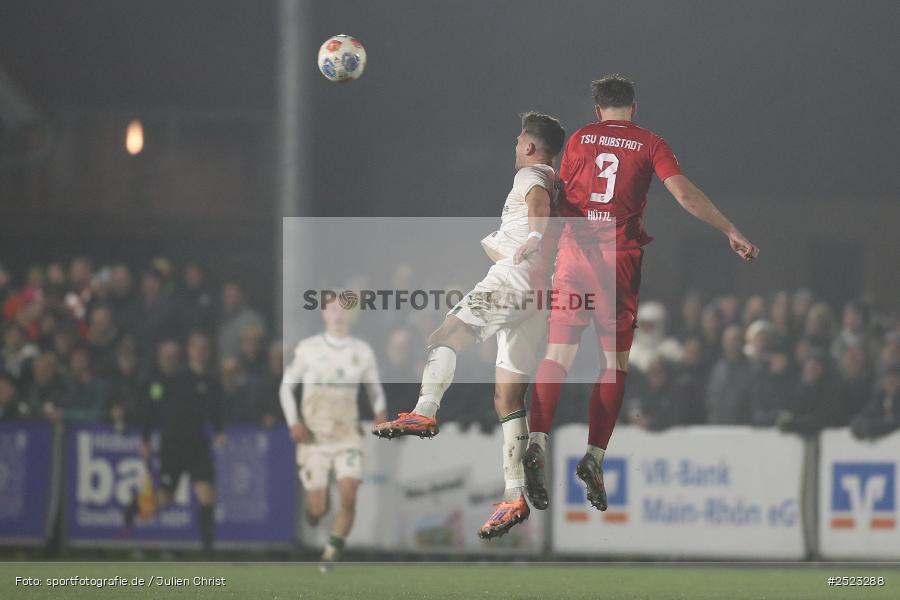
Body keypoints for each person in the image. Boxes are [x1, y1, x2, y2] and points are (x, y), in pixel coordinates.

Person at [523, 75, 759, 513]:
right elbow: (683, 194)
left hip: (574, 254)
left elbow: (558, 198)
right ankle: (593, 457)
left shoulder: (578, 138)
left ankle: (536, 439)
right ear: (633, 107)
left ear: (597, 110)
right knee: (613, 363)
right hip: (618, 261)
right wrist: (729, 229)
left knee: (558, 355)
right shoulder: (651, 143)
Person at [372, 112, 566, 538]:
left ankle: (424, 413)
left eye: (519, 138)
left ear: (532, 146)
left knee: (444, 335)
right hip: (539, 296)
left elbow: (538, 205)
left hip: (514, 280)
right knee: (508, 397)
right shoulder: (558, 180)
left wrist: (533, 238)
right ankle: (515, 495)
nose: (516, 144)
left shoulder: (531, 175)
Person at [280, 298, 386, 571]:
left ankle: (331, 552)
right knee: (319, 508)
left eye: (344, 310)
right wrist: (294, 422)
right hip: (314, 437)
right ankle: (313, 512)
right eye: (334, 309)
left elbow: (374, 388)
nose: (339, 314)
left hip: (347, 434)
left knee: (349, 492)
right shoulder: (308, 349)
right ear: (324, 314)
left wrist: (380, 410)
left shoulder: (361, 351)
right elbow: (286, 389)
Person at [127, 337, 224, 553]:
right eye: (196, 348)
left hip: (198, 446)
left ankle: (208, 549)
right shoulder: (172, 380)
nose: (200, 352)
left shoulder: (211, 381)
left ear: (207, 353)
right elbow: (153, 408)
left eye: (203, 348)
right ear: (189, 351)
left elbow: (215, 413)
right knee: (165, 498)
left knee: (207, 494)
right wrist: (146, 438)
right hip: (173, 447)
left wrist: (218, 433)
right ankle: (135, 505)